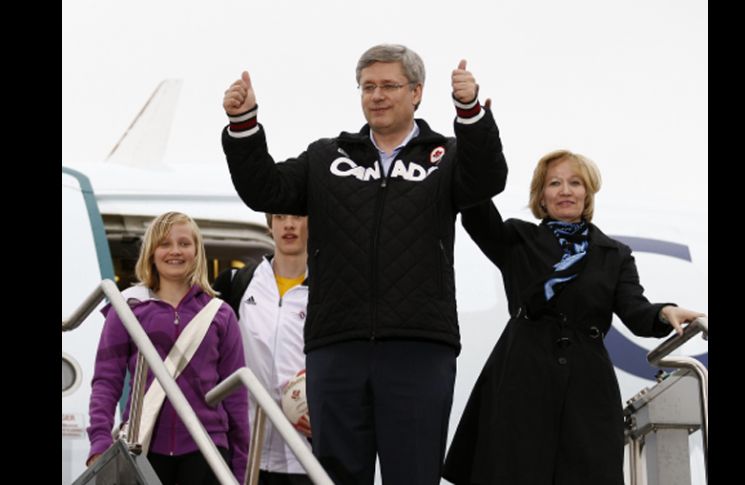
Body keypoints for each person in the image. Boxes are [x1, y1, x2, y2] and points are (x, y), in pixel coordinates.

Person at [221, 44, 507, 484]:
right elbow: (266, 190)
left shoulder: (445, 156)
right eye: (368, 86)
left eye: (389, 85)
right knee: (334, 475)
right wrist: (244, 125)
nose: (377, 95)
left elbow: (488, 179)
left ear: (416, 92)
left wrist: (469, 112)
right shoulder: (326, 157)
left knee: (412, 473)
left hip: (419, 346)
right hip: (336, 346)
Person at [442, 150, 706, 485]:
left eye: (575, 182)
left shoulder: (614, 254)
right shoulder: (517, 239)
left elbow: (636, 311)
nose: (565, 190)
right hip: (523, 375)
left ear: (587, 193)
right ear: (541, 195)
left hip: (587, 385)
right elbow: (476, 211)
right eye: (555, 183)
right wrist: (471, 138)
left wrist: (664, 312)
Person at [86, 211, 249, 485]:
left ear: (197, 251)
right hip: (144, 445)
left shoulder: (220, 314)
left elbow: (236, 396)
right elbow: (106, 382)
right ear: (151, 252)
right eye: (165, 244)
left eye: (184, 243)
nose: (175, 251)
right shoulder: (127, 308)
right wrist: (99, 442)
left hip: (207, 448)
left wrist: (241, 467)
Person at [214, 213, 312, 485]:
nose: (289, 225)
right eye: (280, 217)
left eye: (298, 216)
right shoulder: (237, 283)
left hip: (304, 459)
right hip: (242, 455)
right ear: (270, 225)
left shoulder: (330, 291)